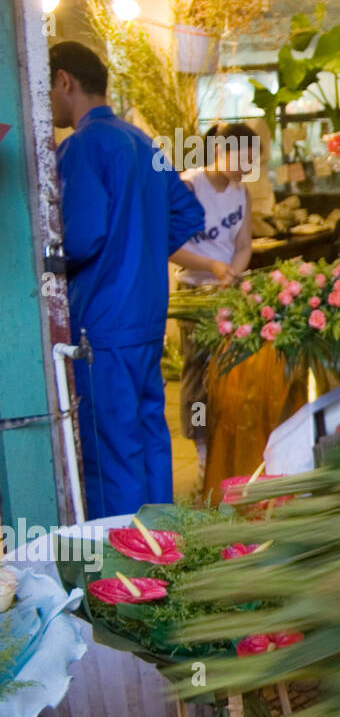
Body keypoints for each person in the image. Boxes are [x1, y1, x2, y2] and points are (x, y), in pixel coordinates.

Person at [48, 40, 205, 519]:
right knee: (149, 435)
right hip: (146, 316)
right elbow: (188, 213)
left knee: (109, 449)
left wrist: (50, 263)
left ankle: (125, 573)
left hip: (101, 322)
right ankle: (166, 549)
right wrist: (138, 248)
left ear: (64, 82)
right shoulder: (143, 142)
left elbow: (81, 238)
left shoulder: (81, 147)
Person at [169, 123, 256, 475]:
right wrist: (212, 267)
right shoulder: (189, 186)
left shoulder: (241, 193)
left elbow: (244, 245)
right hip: (195, 293)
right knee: (199, 372)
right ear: (218, 149)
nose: (244, 164)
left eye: (252, 157)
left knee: (232, 370)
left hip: (227, 290)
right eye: (239, 154)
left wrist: (232, 272)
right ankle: (202, 449)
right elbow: (170, 245)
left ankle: (230, 443)